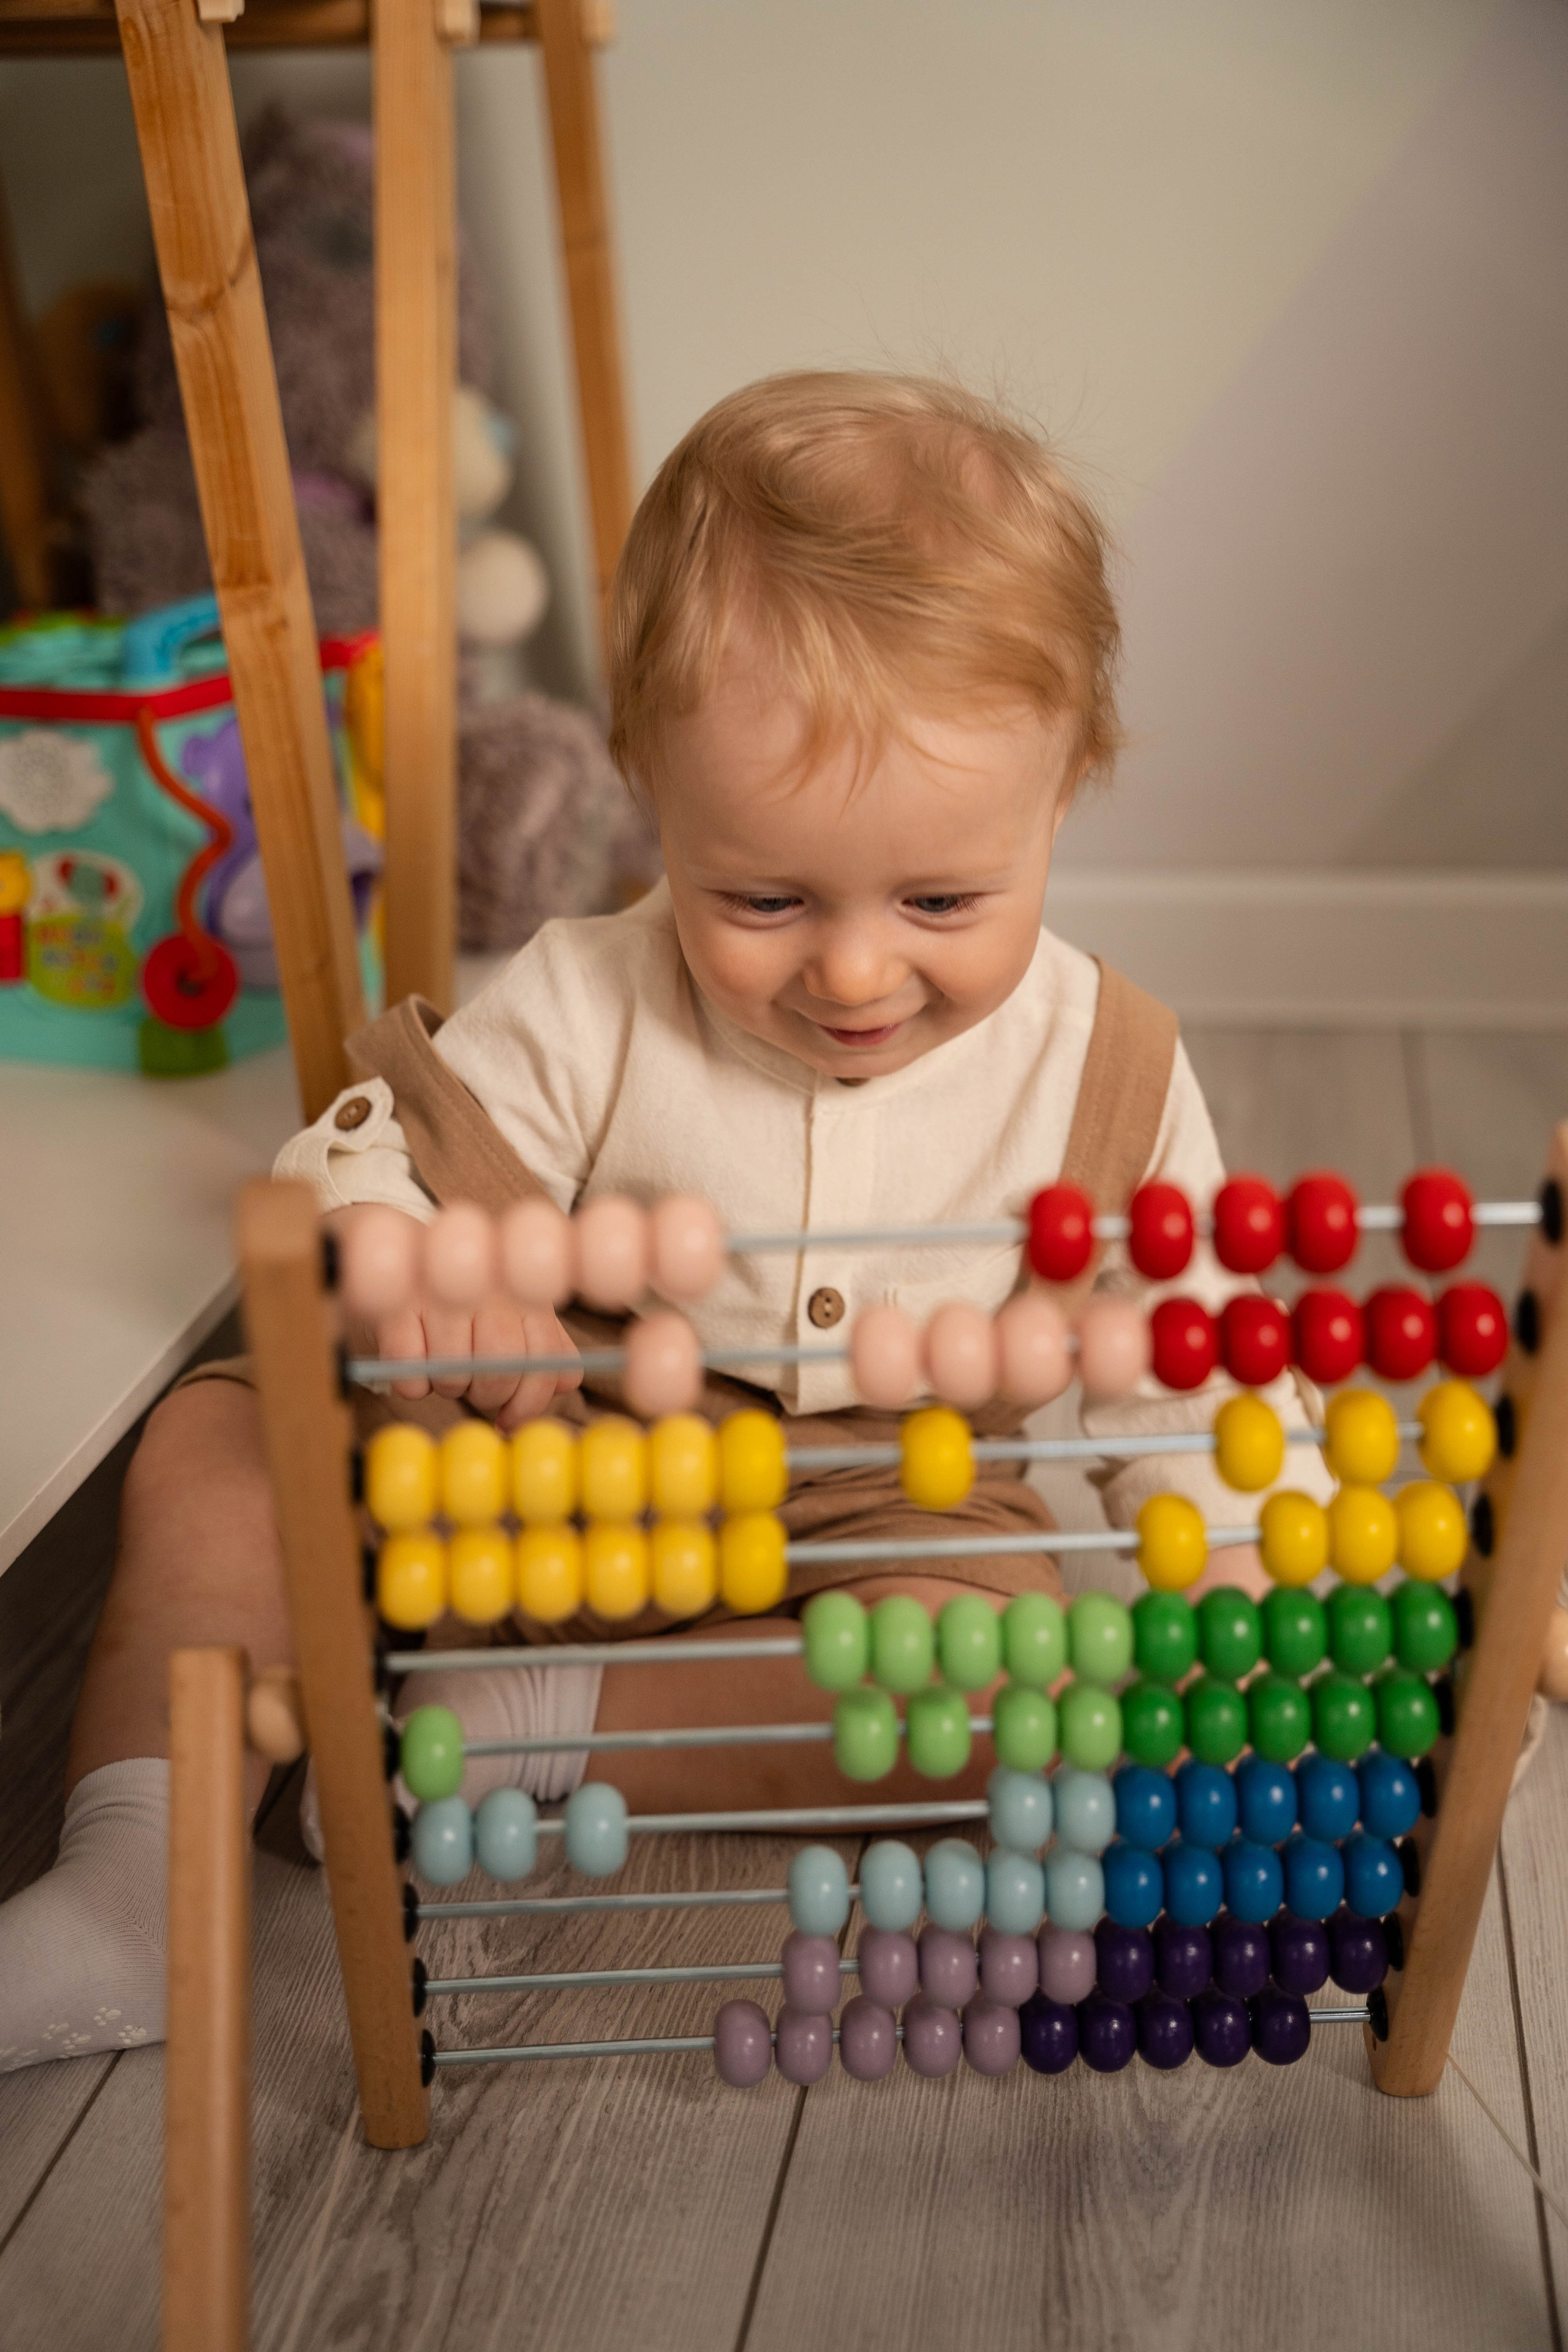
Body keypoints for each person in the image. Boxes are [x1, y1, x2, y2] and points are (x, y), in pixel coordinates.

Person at [0, 371, 1326, 2073]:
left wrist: (1241, 1561)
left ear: (1064, 793)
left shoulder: (1115, 1072)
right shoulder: (590, 993)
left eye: (941, 900)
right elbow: (360, 1155)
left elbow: (1195, 1375)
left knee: (1013, 1681)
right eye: (762, 898)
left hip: (874, 1521)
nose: (854, 969)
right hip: (541, 1478)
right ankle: (134, 1876)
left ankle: (535, 1738)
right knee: (210, 1449)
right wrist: (412, 1267)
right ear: (651, 796)